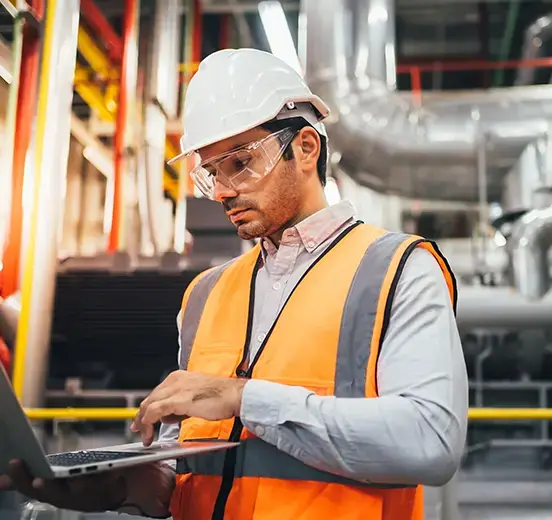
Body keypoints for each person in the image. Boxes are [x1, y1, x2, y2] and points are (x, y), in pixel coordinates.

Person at [0, 48, 468, 519]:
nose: (223, 190)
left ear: (306, 148)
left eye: (240, 163)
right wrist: (126, 489)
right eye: (211, 172)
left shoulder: (398, 268)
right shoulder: (205, 295)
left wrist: (244, 397)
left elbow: (432, 441)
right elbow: (189, 467)